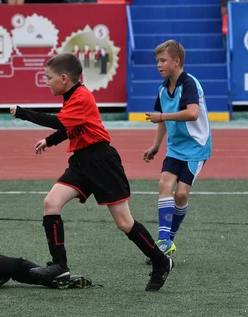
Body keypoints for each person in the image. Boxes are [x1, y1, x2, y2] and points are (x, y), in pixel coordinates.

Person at [10, 53, 174, 292]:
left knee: (124, 223)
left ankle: (161, 262)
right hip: (81, 163)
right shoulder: (72, 96)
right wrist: (49, 141)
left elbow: (58, 122)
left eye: (49, 77)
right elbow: (69, 127)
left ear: (64, 79)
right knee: (51, 203)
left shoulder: (81, 97)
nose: (46, 81)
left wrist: (22, 113)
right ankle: (59, 266)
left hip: (101, 162)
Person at [143, 40, 212, 263]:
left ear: (176, 61)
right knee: (164, 185)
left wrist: (162, 116)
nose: (159, 65)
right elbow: (162, 119)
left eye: (163, 60)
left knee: (181, 194)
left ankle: (168, 239)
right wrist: (155, 145)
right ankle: (163, 241)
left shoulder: (190, 83)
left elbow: (192, 113)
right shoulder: (163, 89)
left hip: (196, 147)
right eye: (157, 62)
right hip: (175, 148)